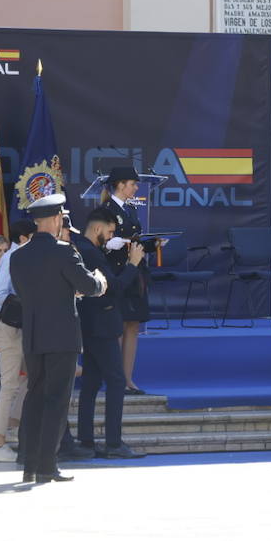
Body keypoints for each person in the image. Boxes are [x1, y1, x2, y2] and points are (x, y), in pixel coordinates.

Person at [10, 194, 107, 483]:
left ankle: (29, 464)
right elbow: (88, 285)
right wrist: (100, 279)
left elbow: (28, 292)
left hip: (34, 336)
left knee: (34, 398)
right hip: (62, 336)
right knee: (56, 401)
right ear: (55, 219)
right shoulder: (64, 251)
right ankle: (46, 466)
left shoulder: (18, 256)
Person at [70, 208, 145, 458]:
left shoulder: (81, 248)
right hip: (101, 324)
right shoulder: (91, 252)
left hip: (89, 325)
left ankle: (87, 441)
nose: (111, 236)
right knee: (115, 380)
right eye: (110, 231)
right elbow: (116, 287)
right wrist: (133, 264)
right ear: (98, 228)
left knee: (91, 382)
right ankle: (113, 443)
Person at [95, 165, 152, 395]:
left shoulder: (131, 209)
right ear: (120, 185)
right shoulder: (105, 210)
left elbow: (135, 236)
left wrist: (152, 243)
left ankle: (128, 378)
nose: (136, 188)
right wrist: (111, 243)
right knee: (117, 327)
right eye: (132, 184)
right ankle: (115, 379)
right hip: (116, 272)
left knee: (133, 325)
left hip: (134, 272)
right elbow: (95, 242)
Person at [0, 219, 36, 461]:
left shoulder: (21, 258)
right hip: (7, 326)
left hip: (17, 326)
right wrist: (21, 302)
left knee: (33, 375)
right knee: (10, 385)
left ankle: (14, 424)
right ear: (25, 238)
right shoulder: (12, 258)